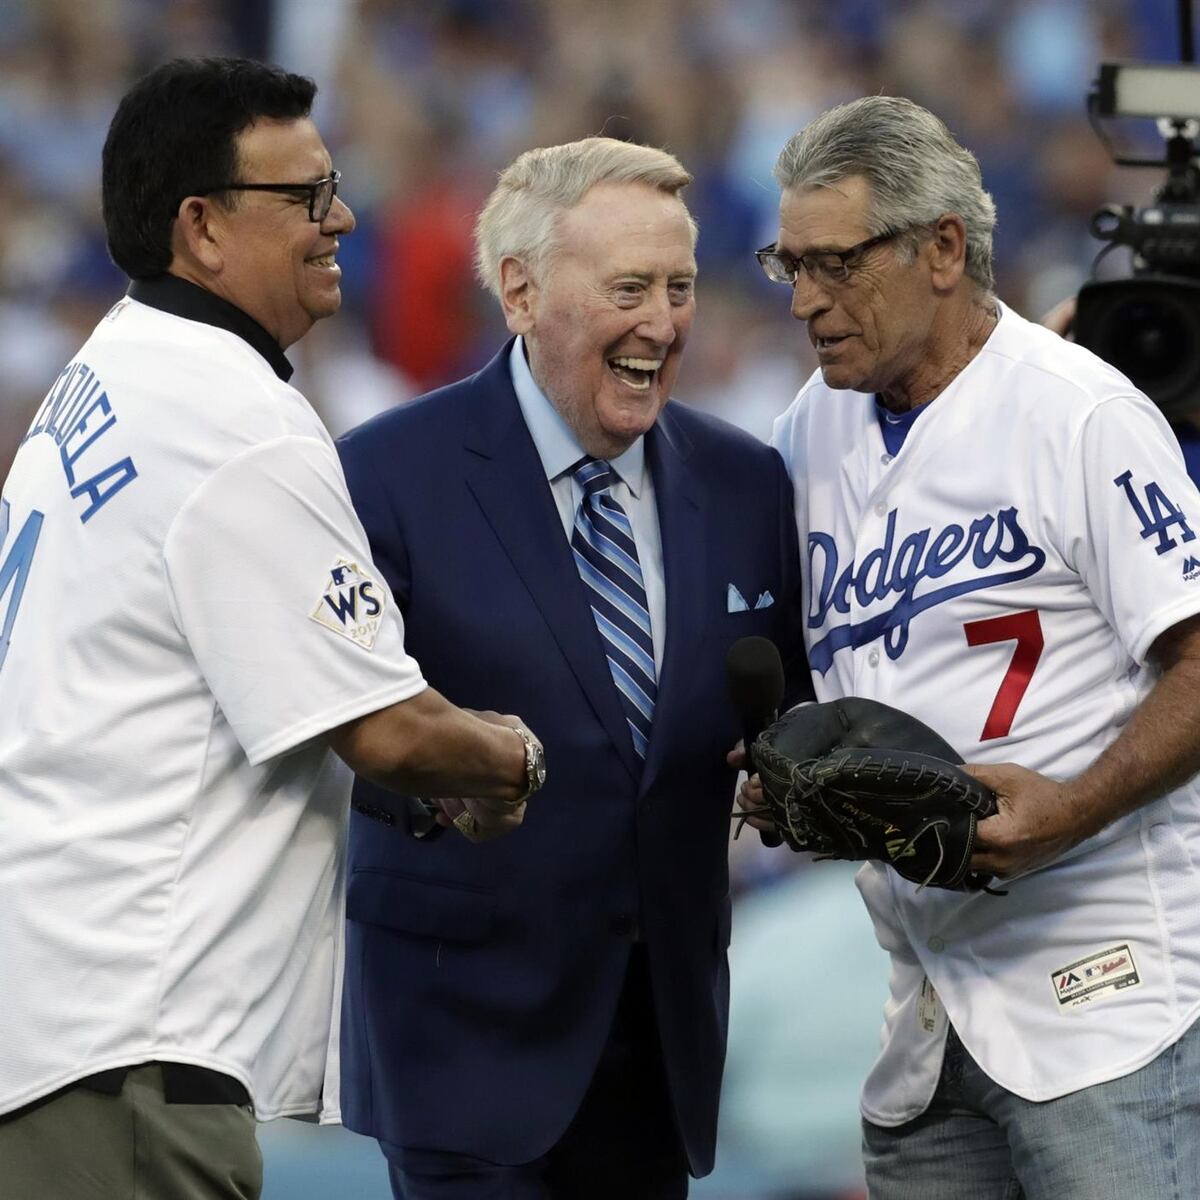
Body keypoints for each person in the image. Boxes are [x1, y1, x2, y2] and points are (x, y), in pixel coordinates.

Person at [0, 57, 543, 1200]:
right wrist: (515, 755)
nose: (341, 215)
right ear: (200, 227)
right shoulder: (234, 415)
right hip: (128, 1045)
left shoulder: (104, 369)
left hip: (55, 1014)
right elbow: (391, 731)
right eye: (303, 196)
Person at [336, 136, 809, 1200]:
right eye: (629, 288)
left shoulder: (746, 485)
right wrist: (444, 785)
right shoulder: (385, 475)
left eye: (680, 288)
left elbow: (786, 709)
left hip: (660, 1044)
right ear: (519, 289)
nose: (662, 323)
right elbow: (338, 724)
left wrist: (800, 777)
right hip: (463, 1041)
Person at [754, 94, 1200, 1199]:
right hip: (925, 1014)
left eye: (838, 264)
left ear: (943, 247)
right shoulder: (810, 426)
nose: (806, 300)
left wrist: (1072, 809)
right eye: (787, 265)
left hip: (1104, 1000)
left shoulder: (1078, 413)